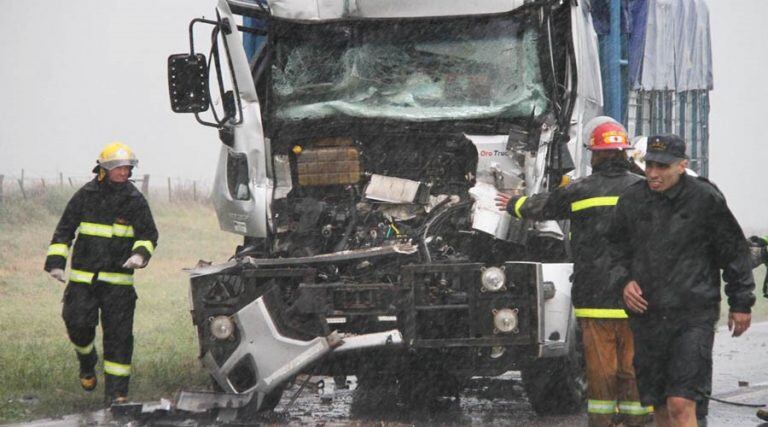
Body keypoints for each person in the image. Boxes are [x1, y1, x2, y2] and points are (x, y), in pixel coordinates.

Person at [496, 116, 649, 426]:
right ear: (624, 153)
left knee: (601, 369)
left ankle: (603, 421)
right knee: (633, 365)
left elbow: (543, 206)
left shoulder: (581, 190)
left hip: (595, 296)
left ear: (596, 154)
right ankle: (638, 419)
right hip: (636, 297)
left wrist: (513, 204)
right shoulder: (644, 191)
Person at [609, 134, 755, 427]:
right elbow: (613, 252)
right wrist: (623, 281)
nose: (653, 173)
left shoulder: (705, 199)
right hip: (648, 317)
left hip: (693, 316)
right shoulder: (632, 200)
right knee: (660, 403)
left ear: (682, 165)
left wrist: (741, 302)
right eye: (649, 164)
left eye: (662, 167)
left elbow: (734, 252)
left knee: (681, 402)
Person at [44, 142, 158, 404]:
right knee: (78, 325)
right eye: (119, 168)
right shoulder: (85, 195)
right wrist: (56, 263)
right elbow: (64, 230)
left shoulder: (135, 200)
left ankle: (117, 396)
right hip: (83, 281)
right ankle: (87, 362)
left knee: (119, 338)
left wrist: (140, 255)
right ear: (104, 169)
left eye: (128, 168)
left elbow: (148, 235)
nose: (124, 173)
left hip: (118, 285)